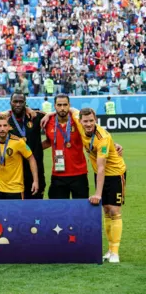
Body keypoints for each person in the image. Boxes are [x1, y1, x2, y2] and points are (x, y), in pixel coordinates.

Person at [74, 108, 126, 263]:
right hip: (100, 174)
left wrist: (97, 194)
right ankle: (110, 250)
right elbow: (70, 109)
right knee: (106, 210)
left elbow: (102, 166)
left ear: (95, 119)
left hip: (115, 174)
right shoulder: (78, 121)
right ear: (81, 121)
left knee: (114, 210)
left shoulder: (102, 138)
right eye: (86, 121)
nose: (88, 124)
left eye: (91, 120)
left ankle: (115, 251)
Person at [42, 94, 89, 199]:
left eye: (65, 105)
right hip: (58, 175)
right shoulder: (48, 122)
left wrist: (112, 144)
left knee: (80, 211)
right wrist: (32, 149)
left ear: (69, 105)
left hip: (79, 174)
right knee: (58, 212)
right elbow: (50, 141)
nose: (62, 108)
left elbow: (93, 129)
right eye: (59, 105)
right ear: (55, 106)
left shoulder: (77, 120)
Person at [0, 113, 39, 199]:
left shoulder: (18, 142)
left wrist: (35, 181)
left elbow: (31, 158)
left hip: (15, 190)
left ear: (9, 127)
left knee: (16, 213)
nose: (2, 129)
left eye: (5, 125)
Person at [8, 92, 46, 199]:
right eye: (15, 101)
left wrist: (38, 147)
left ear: (25, 103)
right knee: (17, 208)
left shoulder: (35, 117)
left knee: (36, 206)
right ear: (10, 103)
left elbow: (57, 116)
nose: (18, 104)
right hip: (15, 173)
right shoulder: (6, 121)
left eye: (21, 102)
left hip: (36, 170)